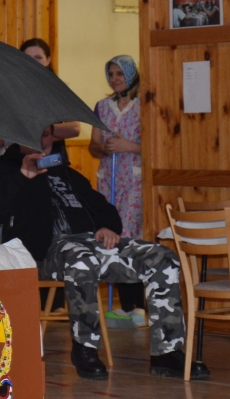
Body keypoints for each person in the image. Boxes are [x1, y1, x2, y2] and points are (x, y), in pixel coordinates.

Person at [0, 126, 208, 381]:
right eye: (35, 133)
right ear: (19, 137)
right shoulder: (1, 172)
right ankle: (84, 348)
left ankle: (167, 353)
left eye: (47, 134)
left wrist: (107, 226)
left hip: (90, 243)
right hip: (41, 250)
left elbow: (104, 208)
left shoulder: (68, 174)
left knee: (162, 257)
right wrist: (22, 176)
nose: (42, 140)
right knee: (81, 260)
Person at [89, 55, 145, 320]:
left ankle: (137, 305)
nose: (114, 79)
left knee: (129, 237)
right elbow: (93, 146)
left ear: (131, 75)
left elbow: (156, 146)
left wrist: (128, 146)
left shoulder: (144, 106)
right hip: (108, 180)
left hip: (133, 181)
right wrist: (105, 147)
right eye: (110, 74)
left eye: (119, 73)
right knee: (110, 234)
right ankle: (124, 306)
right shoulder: (102, 107)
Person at [19, 38, 80, 159]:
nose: (33, 62)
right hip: (19, 157)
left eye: (38, 57)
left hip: (52, 158)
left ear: (48, 60)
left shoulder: (59, 89)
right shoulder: (12, 89)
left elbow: (75, 128)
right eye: (27, 58)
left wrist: (43, 131)